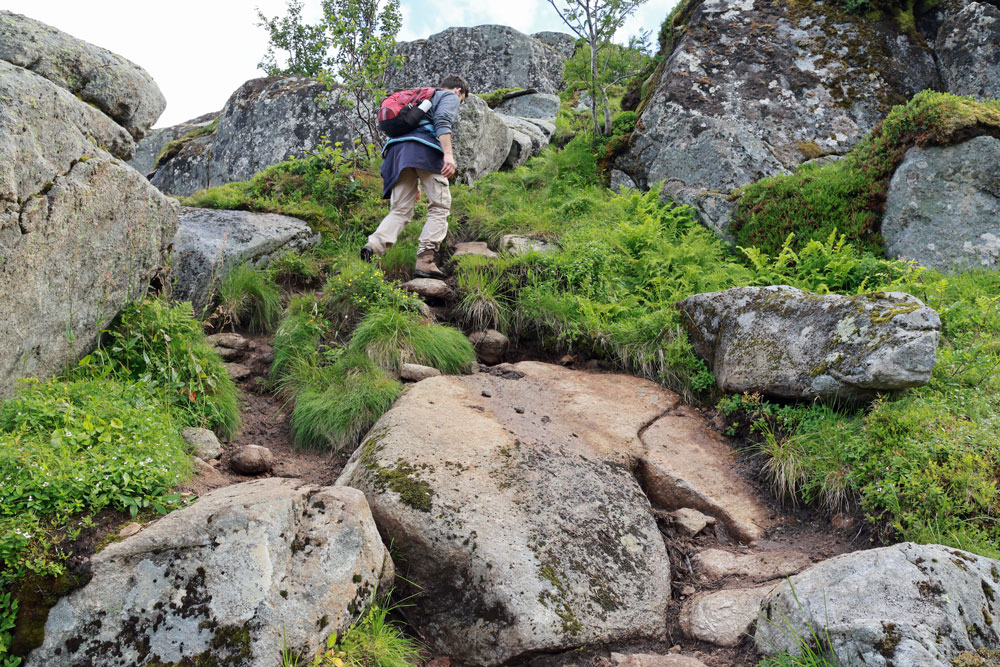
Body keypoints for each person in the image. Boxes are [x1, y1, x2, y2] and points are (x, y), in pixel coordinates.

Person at [361, 75, 470, 278]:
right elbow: (443, 121)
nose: (459, 103)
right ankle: (425, 260)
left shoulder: (418, 101)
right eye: (461, 100)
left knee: (400, 209)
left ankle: (373, 246)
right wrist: (448, 155)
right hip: (425, 150)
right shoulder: (449, 95)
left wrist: (415, 182)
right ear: (458, 91)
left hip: (397, 155)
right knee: (440, 205)